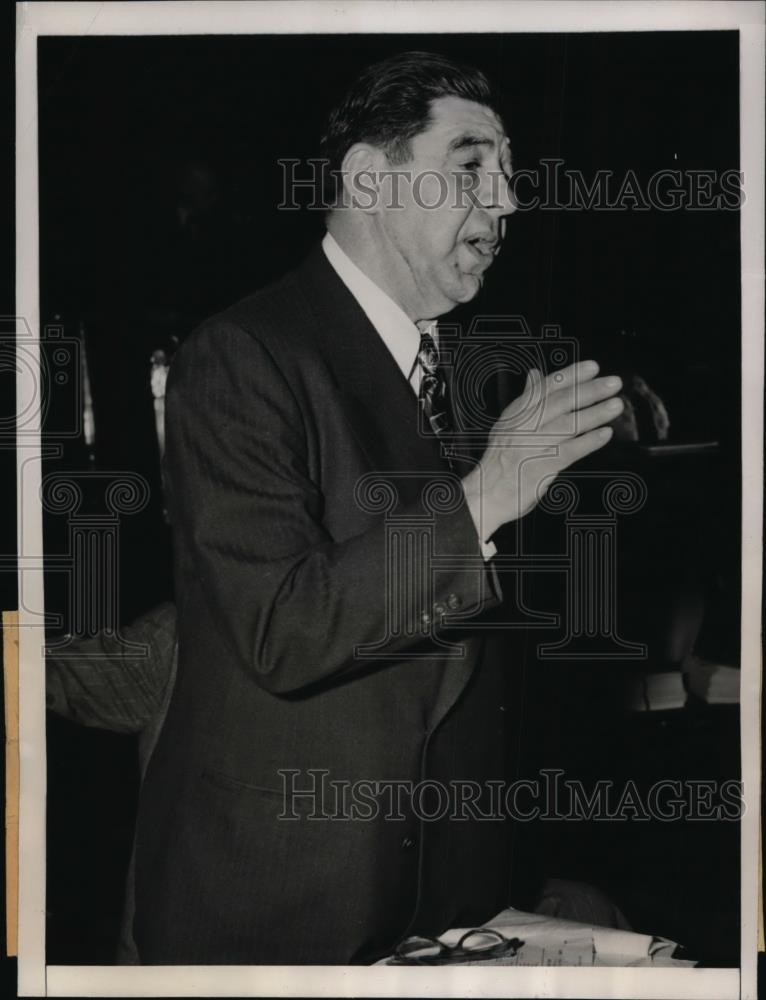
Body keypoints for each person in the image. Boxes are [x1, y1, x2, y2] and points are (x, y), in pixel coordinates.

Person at [132, 50, 623, 964]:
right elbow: (282, 628)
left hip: (447, 906)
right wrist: (485, 494)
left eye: (509, 173)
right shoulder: (242, 356)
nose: (508, 201)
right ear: (368, 179)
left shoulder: (477, 373)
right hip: (282, 903)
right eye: (472, 166)